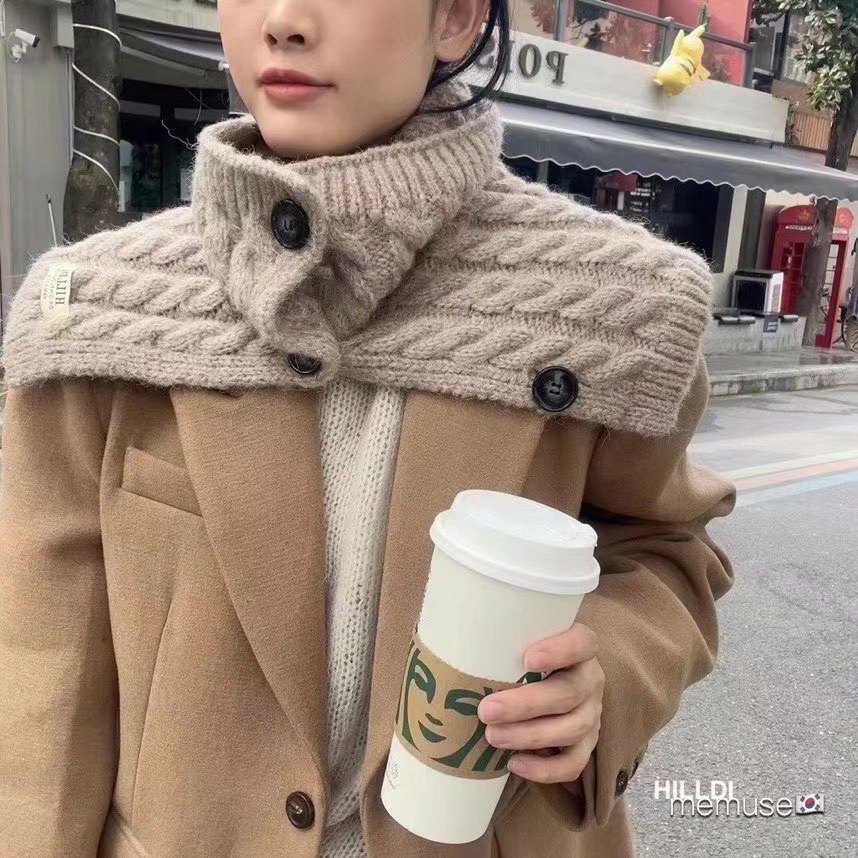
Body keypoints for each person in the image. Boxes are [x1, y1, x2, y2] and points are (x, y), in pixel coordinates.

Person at [0, 0, 738, 855]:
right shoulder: (94, 315)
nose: (283, 20)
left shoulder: (613, 308)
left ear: (456, 18)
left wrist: (608, 667)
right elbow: (42, 679)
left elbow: (667, 547)